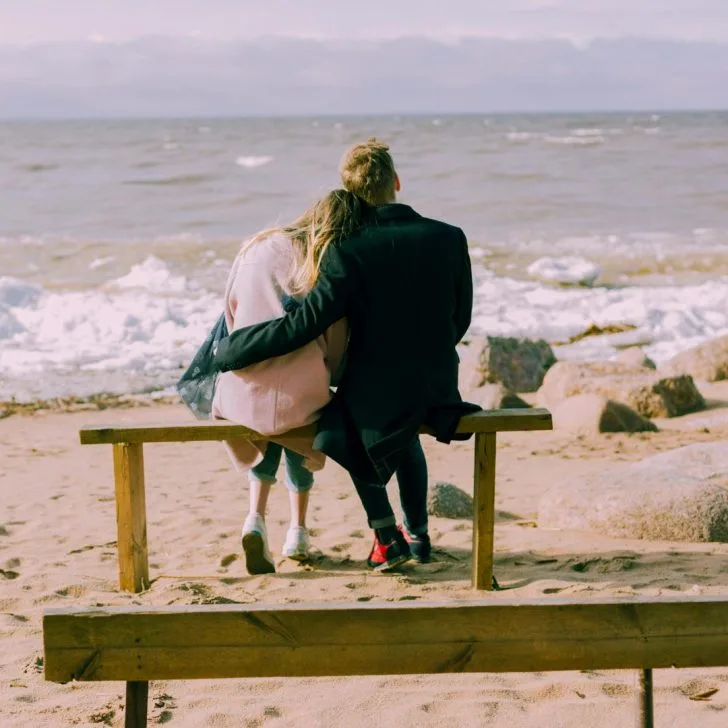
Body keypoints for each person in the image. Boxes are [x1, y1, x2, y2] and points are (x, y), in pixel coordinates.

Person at [214, 139, 477, 571]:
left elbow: (306, 324)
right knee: (406, 430)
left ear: (347, 188)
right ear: (396, 181)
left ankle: (385, 536)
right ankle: (420, 535)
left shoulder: (348, 249)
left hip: (377, 391)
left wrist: (234, 350)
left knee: (341, 428)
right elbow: (460, 317)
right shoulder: (448, 237)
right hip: (438, 384)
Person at [211, 189, 365, 575]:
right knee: (300, 416)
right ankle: (297, 530)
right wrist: (331, 370)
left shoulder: (256, 246)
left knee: (267, 424)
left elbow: (230, 313)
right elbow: (334, 341)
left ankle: (255, 518)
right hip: (299, 394)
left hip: (242, 391)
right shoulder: (322, 262)